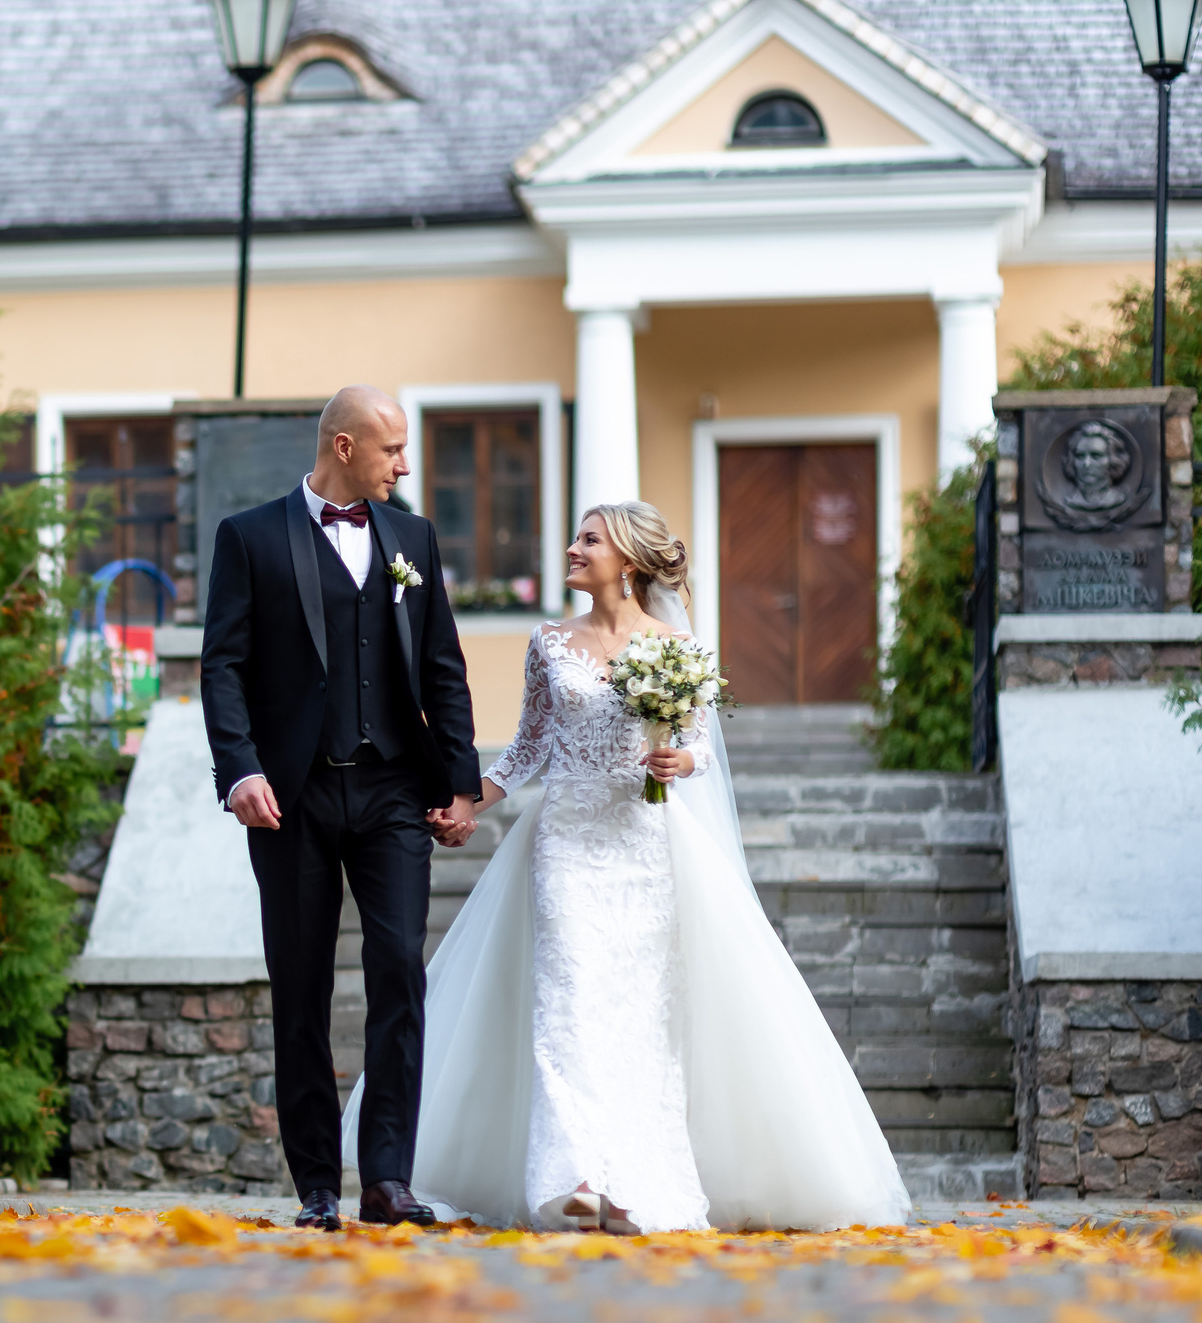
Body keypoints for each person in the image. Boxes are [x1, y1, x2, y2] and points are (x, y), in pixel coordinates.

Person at [373, 501, 912, 1233]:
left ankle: (638, 1179)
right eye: (576, 537)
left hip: (643, 846)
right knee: (568, 1002)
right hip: (565, 841)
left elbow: (702, 744)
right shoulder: (548, 643)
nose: (571, 548)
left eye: (588, 539)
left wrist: (681, 758)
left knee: (638, 1015)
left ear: (626, 559)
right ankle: (575, 1177)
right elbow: (530, 746)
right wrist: (472, 801)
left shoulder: (675, 647)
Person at [199, 386, 480, 1232]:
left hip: (395, 788)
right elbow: (223, 667)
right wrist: (238, 770)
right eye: (394, 448)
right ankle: (318, 1184)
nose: (406, 464)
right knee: (302, 986)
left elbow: (443, 668)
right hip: (294, 795)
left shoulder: (413, 538)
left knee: (400, 971)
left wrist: (461, 783)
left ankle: (388, 1179)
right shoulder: (248, 537)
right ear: (346, 444)